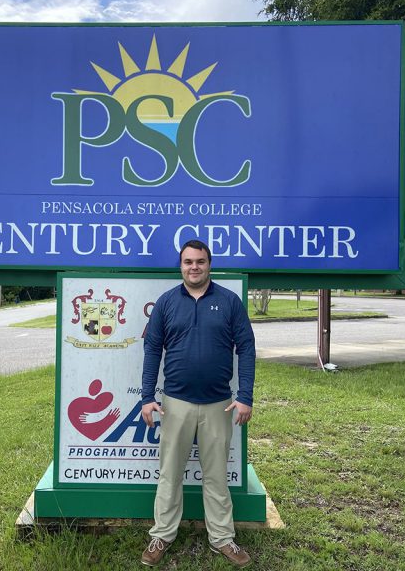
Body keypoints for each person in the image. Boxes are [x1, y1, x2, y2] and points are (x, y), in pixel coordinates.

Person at [140, 239, 256, 568]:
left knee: (217, 476)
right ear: (181, 266)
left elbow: (246, 348)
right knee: (170, 474)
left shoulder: (230, 301)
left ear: (209, 264)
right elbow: (152, 351)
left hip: (219, 404)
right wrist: (147, 397)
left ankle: (222, 539)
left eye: (200, 261)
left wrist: (245, 395)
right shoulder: (165, 303)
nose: (194, 267)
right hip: (175, 403)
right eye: (188, 261)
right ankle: (162, 534)